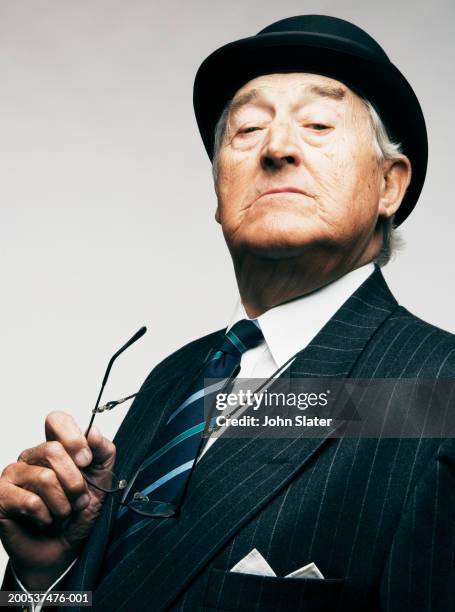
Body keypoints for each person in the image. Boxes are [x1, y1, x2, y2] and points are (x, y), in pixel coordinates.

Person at [1, 14, 454, 612]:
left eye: (318, 124)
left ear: (390, 186)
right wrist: (46, 578)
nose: (276, 148)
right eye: (246, 129)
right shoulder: (173, 380)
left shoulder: (437, 392)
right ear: (218, 189)